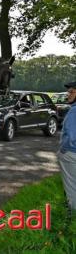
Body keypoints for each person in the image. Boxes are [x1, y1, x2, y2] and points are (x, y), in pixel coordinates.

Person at [58, 81, 76, 211]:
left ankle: (71, 216)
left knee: (71, 186)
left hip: (71, 153)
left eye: (72, 92)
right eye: (68, 91)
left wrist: (63, 150)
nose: (68, 94)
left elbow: (70, 135)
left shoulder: (74, 111)